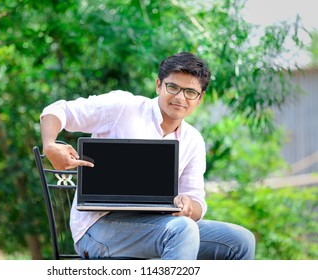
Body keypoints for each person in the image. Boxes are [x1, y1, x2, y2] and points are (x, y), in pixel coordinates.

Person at [40, 52, 256, 260]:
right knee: (182, 230)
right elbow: (58, 110)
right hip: (98, 228)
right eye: (173, 87)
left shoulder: (193, 139)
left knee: (241, 240)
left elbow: (197, 203)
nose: (180, 98)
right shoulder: (123, 107)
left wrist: (188, 205)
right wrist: (50, 145)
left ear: (199, 99)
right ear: (158, 85)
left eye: (190, 92)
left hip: (160, 227)